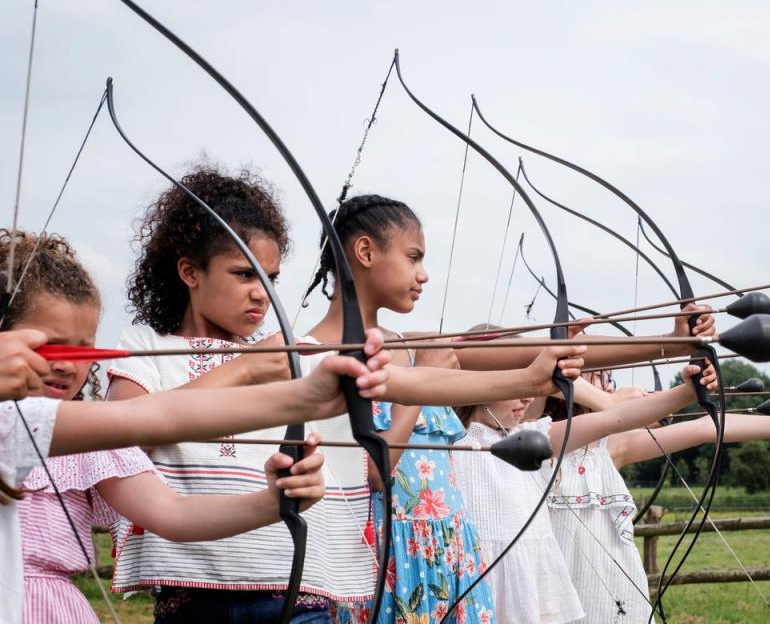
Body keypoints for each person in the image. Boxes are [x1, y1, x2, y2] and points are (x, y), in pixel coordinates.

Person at [106, 175, 583, 623]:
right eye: (243, 274)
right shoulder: (149, 353)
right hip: (196, 601)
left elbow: (414, 384)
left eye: (271, 278)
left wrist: (531, 379)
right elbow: (124, 428)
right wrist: (246, 367)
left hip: (301, 596)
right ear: (189, 271)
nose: (263, 295)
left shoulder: (287, 357)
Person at [0, 229, 335, 624]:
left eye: (85, 350)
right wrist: (296, 391)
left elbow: (173, 511)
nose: (68, 365)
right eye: (53, 346)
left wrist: (274, 501)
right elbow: (154, 417)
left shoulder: (90, 438)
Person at [304, 194, 597, 624]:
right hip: (385, 558)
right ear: (365, 252)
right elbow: (372, 471)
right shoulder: (316, 356)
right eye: (413, 257)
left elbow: (521, 354)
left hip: (447, 551)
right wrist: (419, 386)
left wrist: (675, 340)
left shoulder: (408, 343)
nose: (423, 275)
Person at [542, 370, 770, 622]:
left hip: (617, 597)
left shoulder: (611, 447)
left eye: (609, 378)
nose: (608, 386)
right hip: (556, 596)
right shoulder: (535, 442)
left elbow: (705, 427)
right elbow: (531, 381)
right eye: (598, 377)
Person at [450, 362, 715, 624]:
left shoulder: (534, 437)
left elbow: (614, 418)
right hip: (472, 584)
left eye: (529, 387)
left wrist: (686, 393)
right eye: (516, 386)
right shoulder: (447, 446)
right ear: (480, 387)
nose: (528, 396)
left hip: (527, 591)